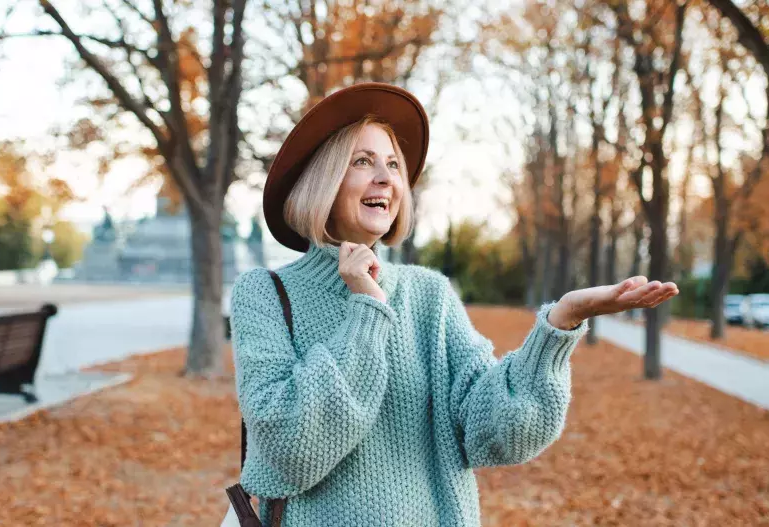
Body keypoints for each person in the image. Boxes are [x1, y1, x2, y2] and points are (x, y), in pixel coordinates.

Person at [229, 82, 677, 526]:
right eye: (362, 162)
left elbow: (499, 432)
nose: (386, 178)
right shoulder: (264, 294)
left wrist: (560, 324)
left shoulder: (430, 296)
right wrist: (367, 310)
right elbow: (290, 448)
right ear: (322, 180)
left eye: (393, 165)